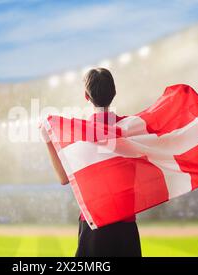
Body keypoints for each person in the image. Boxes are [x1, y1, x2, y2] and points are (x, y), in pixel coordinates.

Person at [41, 68, 141, 257]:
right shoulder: (132, 128)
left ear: (86, 96)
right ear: (114, 92)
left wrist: (48, 140)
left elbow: (63, 178)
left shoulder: (79, 134)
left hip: (95, 224)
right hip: (126, 227)